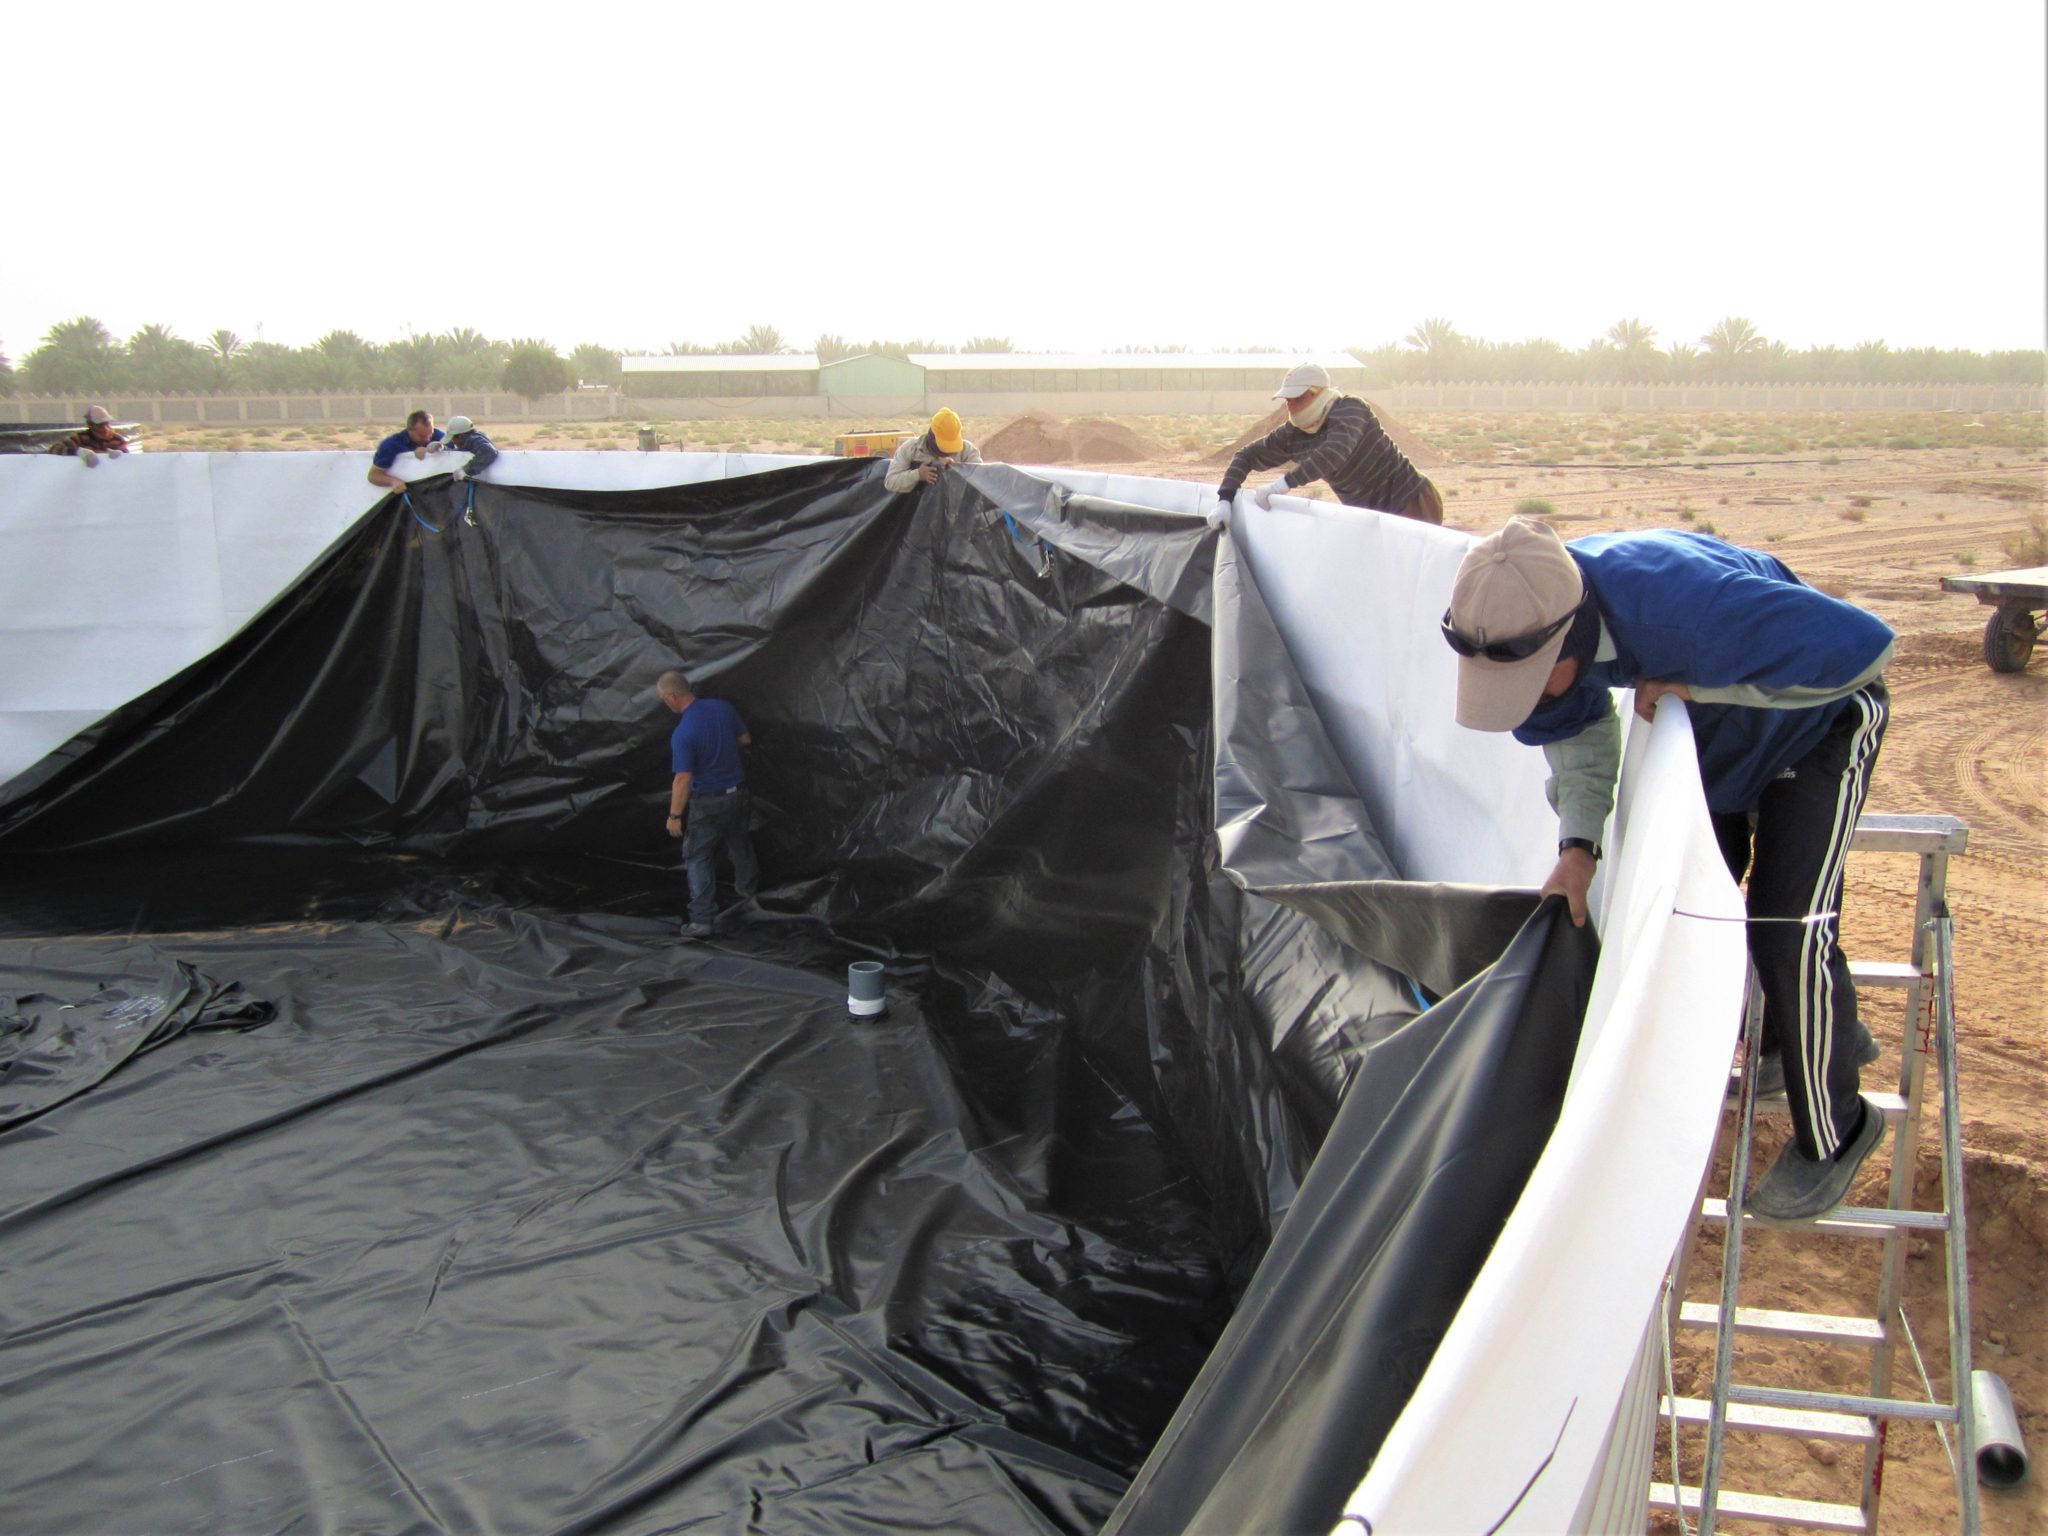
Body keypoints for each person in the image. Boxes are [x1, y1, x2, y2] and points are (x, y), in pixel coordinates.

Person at [1443, 516, 1895, 1223]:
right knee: (1695, 894)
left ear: (1570, 633)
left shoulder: (1686, 609)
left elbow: (1863, 650)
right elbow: (1580, 739)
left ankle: (1837, 1133)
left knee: (1787, 927)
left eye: (1535, 682)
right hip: (1719, 728)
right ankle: (1799, 1039)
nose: (1534, 699)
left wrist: (1715, 692)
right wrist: (1578, 848)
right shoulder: (1545, 602)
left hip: (1820, 725)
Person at [1216, 363, 1442, 524]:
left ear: (1318, 393)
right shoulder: (1292, 435)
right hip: (1368, 514)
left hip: (1410, 500)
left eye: (1298, 398)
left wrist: (1283, 484)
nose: (1290, 406)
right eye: (1288, 400)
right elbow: (1245, 456)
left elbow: (1335, 452)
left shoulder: (1350, 408)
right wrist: (1224, 500)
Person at [658, 669, 761, 939]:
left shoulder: (683, 733)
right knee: (739, 843)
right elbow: (745, 739)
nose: (664, 703)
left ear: (671, 696)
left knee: (697, 856)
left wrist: (674, 815)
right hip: (738, 794)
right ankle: (749, 900)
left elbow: (682, 779)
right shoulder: (721, 707)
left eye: (663, 699)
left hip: (708, 802)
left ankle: (702, 919)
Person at [883, 408, 982, 494]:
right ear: (932, 437)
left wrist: (955, 469)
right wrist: (918, 475)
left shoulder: (968, 451)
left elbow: (982, 483)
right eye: (945, 446)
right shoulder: (911, 449)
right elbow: (890, 482)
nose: (948, 452)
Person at [368, 410, 444, 491]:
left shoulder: (440, 436)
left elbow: (454, 453)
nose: (428, 439)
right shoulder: (392, 444)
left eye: (430, 434)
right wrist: (393, 481)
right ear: (409, 430)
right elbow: (374, 476)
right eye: (421, 436)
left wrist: (430, 449)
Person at [48, 405, 129, 466]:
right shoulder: (80, 439)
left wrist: (121, 458)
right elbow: (54, 449)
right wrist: (78, 452)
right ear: (90, 425)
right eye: (100, 425)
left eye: (106, 424)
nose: (105, 429)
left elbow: (129, 462)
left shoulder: (118, 440)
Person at [443, 415, 499, 481]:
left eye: (453, 438)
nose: (454, 442)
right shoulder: (469, 443)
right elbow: (461, 451)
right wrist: (442, 449)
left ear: (460, 436)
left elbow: (488, 452)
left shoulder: (474, 440)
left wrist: (466, 470)